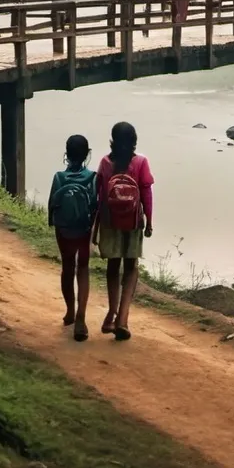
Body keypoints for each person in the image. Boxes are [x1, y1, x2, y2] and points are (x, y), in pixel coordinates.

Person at [93, 121, 153, 341]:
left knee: (113, 266)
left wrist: (98, 223)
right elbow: (146, 194)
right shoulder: (141, 162)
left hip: (111, 221)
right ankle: (123, 319)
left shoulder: (105, 163)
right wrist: (150, 222)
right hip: (133, 221)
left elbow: (99, 196)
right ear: (134, 140)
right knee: (131, 267)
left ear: (113, 140)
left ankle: (111, 313)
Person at [47, 134, 97, 342]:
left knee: (67, 267)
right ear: (88, 154)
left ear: (66, 154)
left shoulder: (59, 177)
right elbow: (95, 206)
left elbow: (52, 207)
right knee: (82, 268)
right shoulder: (92, 177)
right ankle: (81, 318)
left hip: (65, 230)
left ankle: (69, 311)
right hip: (83, 230)